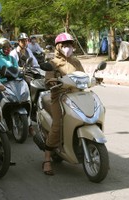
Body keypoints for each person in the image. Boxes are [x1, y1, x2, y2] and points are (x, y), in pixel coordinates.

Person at [42, 32, 84, 175]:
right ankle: (47, 159)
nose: (68, 48)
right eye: (65, 45)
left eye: (70, 45)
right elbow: (48, 79)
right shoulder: (53, 63)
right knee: (57, 125)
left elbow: (83, 76)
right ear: (59, 47)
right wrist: (51, 81)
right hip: (59, 97)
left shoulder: (76, 62)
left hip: (76, 95)